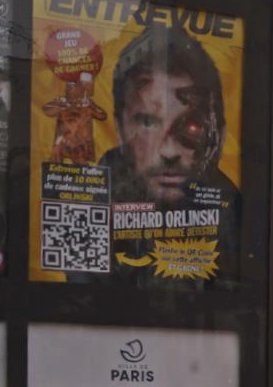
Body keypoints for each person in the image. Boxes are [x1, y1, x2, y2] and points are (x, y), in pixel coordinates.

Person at [99, 24, 241, 281]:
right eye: (148, 123)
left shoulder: (230, 211)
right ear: (119, 127)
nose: (168, 151)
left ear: (215, 133)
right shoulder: (93, 197)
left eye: (189, 127)